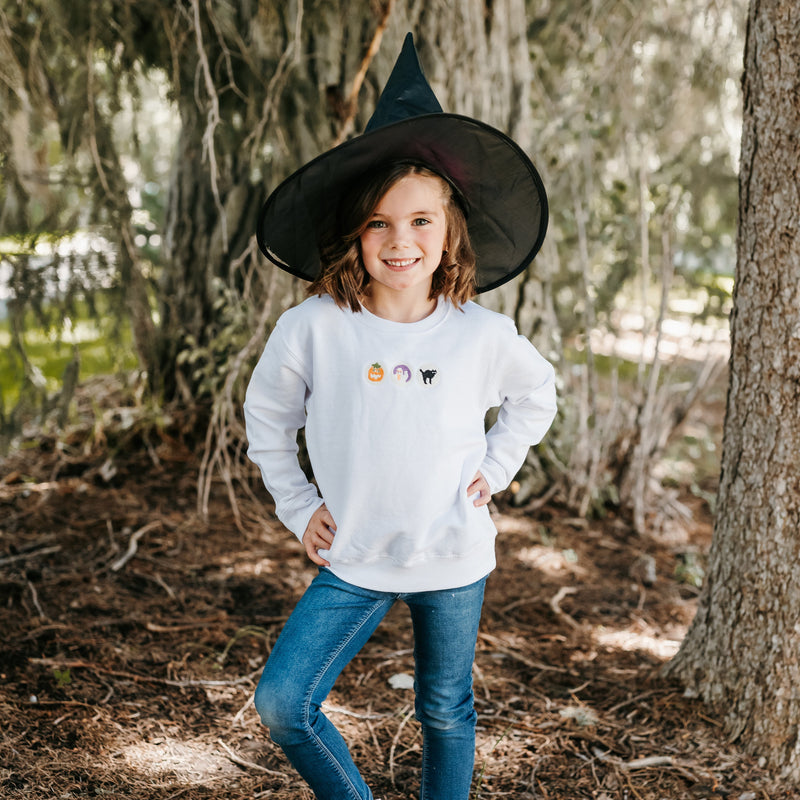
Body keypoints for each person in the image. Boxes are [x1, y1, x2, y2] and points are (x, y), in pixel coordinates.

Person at [243, 33, 557, 800]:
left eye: (420, 221)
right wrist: (298, 505)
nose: (400, 239)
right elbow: (267, 419)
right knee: (284, 703)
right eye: (380, 222)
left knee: (446, 710)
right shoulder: (315, 326)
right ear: (356, 230)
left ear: (450, 229)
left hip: (453, 555)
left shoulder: (482, 334)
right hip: (353, 553)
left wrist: (495, 466)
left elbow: (535, 396)